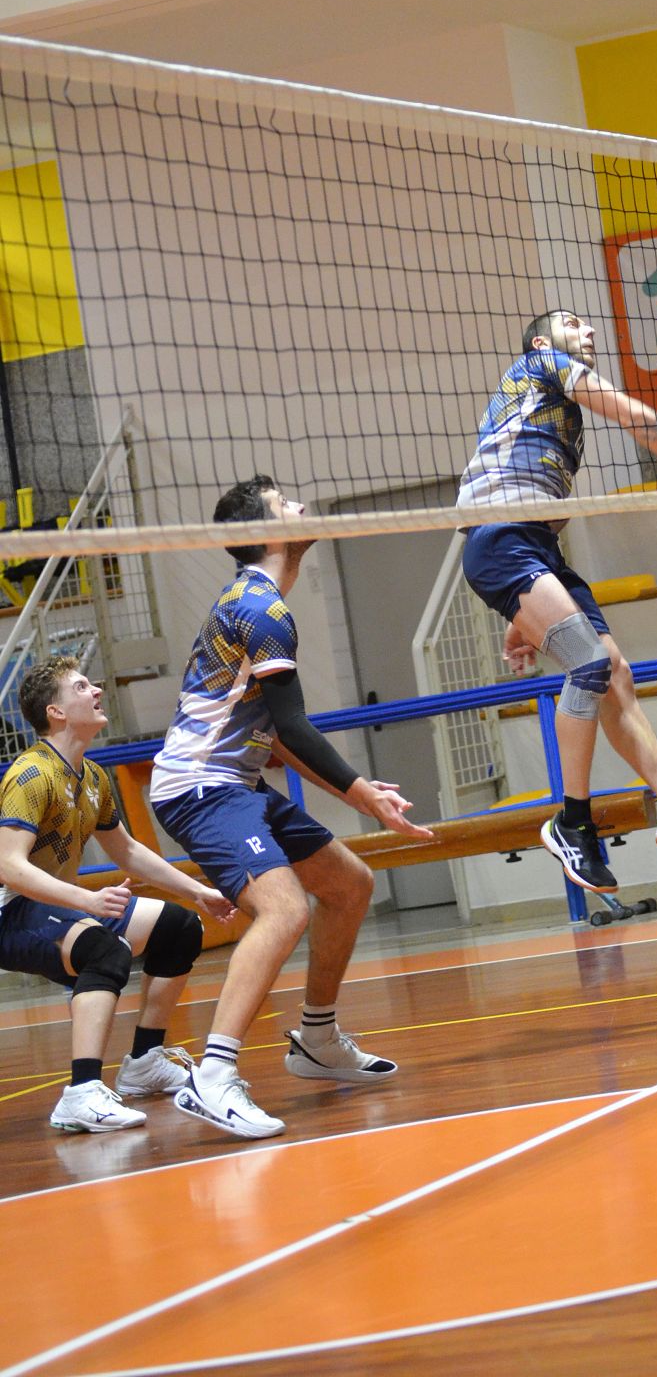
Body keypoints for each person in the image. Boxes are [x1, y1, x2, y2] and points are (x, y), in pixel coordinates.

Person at [149, 476, 432, 1140]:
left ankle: (317, 1039)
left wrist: (358, 792)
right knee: (284, 910)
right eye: (287, 505)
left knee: (349, 884)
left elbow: (276, 733)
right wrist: (363, 794)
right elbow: (297, 726)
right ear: (268, 533)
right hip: (200, 786)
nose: (303, 508)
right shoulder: (261, 609)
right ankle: (213, 1076)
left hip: (235, 781)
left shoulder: (258, 603)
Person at [459, 311, 657, 894]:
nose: (590, 331)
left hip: (534, 545)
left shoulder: (552, 416)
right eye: (574, 323)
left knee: (615, 674)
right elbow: (629, 414)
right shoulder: (543, 363)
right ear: (543, 341)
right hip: (501, 540)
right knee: (590, 665)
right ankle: (572, 823)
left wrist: (524, 617)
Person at [0, 656, 234, 1134]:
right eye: (81, 686)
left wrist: (198, 892)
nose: (97, 690)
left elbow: (126, 850)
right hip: (10, 911)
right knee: (105, 951)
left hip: (53, 906)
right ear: (55, 712)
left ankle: (145, 1062)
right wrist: (86, 902)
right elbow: (9, 867)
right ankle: (81, 1093)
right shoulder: (30, 775)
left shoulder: (91, 776)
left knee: (179, 927)